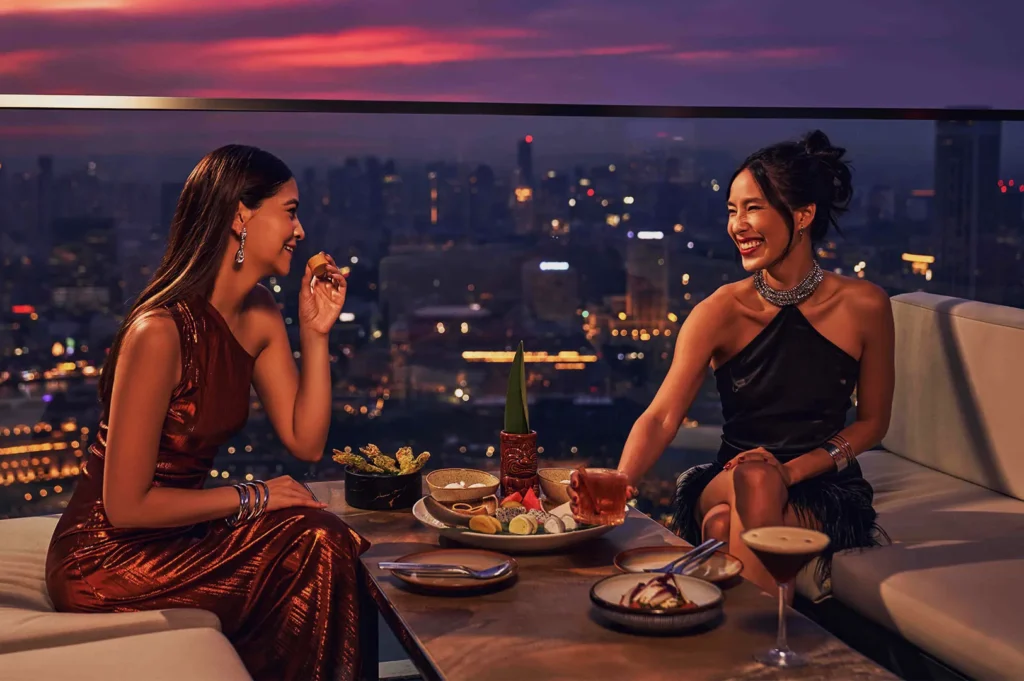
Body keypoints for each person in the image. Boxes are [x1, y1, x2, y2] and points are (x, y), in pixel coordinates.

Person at [46, 144, 368, 681]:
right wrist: (255, 496)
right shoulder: (160, 331)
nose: (301, 230)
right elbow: (124, 506)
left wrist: (315, 333)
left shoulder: (261, 311)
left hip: (180, 539)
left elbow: (306, 442)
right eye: (289, 211)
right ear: (242, 213)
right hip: (106, 560)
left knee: (315, 533)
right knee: (315, 539)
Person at [596, 130, 893, 596]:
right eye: (732, 210)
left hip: (823, 489)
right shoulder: (719, 311)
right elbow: (661, 416)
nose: (738, 225)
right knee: (750, 478)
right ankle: (772, 649)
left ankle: (731, 645)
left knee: (720, 524)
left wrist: (791, 471)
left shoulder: (865, 306)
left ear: (802, 215)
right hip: (730, 476)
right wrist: (618, 482)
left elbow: (873, 424)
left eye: (753, 207)